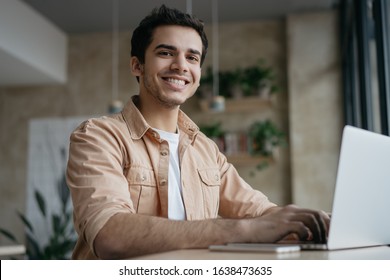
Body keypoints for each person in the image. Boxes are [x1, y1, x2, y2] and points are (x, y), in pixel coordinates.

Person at [66, 5, 330, 260]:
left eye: (192, 57)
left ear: (199, 74)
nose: (181, 66)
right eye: (166, 53)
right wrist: (242, 231)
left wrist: (310, 224)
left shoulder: (205, 149)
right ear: (137, 65)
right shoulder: (98, 136)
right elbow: (109, 234)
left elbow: (258, 211)